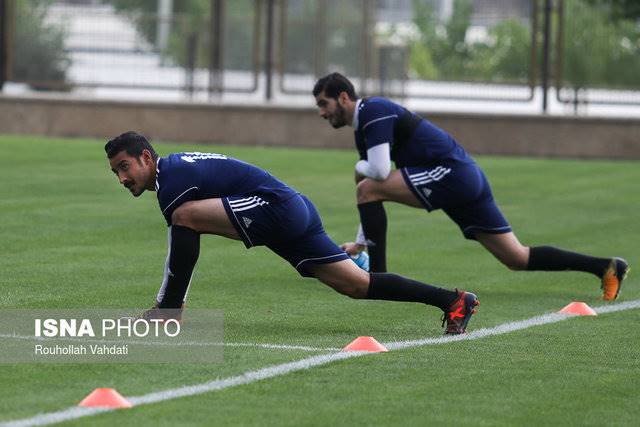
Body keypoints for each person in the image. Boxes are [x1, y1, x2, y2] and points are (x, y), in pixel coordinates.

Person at [104, 131, 480, 334]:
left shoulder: (171, 181)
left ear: (147, 158)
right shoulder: (175, 171)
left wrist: (168, 303)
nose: (123, 178)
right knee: (356, 285)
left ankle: (169, 312)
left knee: (185, 217)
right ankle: (453, 300)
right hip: (290, 208)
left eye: (125, 167)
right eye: (116, 172)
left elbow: (182, 234)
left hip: (277, 207)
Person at [312, 72, 629, 301]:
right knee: (516, 257)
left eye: (324, 104)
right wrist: (361, 243)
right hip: (464, 176)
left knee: (366, 184)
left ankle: (377, 278)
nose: (322, 113)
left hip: (450, 173)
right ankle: (606, 267)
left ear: (343, 97)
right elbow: (376, 186)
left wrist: (358, 170)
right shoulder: (364, 126)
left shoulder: (373, 111)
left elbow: (377, 174)